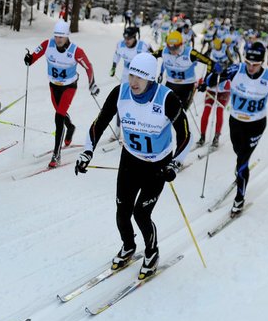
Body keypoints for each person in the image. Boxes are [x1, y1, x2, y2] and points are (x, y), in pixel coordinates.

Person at [74, 53, 191, 279]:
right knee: (122, 211)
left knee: (141, 214)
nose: (134, 82)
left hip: (158, 165)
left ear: (152, 79)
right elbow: (99, 122)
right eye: (131, 75)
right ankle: (128, 246)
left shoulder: (167, 99)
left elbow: (186, 135)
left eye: (140, 77)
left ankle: (152, 252)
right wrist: (87, 151)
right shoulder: (121, 93)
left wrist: (175, 164)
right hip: (130, 160)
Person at [206, 41, 268, 214]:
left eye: (255, 64)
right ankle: (240, 171)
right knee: (238, 152)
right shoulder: (235, 70)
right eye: (248, 63)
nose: (251, 67)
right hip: (236, 121)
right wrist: (214, 73)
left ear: (262, 63)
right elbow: (211, 81)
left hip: (256, 125)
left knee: (242, 160)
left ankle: (239, 198)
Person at [24, 19, 99, 168]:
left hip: (69, 87)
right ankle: (70, 127)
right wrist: (28, 59)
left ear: (67, 36)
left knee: (58, 117)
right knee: (60, 112)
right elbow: (32, 58)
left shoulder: (75, 51)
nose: (58, 39)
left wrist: (92, 84)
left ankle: (56, 155)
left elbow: (88, 66)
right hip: (53, 86)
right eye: (56, 36)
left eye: (61, 37)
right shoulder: (47, 44)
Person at [160, 29, 213, 116]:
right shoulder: (164, 51)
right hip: (171, 83)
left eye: (175, 48)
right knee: (165, 110)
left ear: (181, 45)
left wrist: (205, 82)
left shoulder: (190, 52)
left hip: (187, 86)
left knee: (181, 112)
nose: (172, 51)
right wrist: (160, 73)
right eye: (170, 48)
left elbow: (209, 62)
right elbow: (163, 61)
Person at [197, 35, 236, 147]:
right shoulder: (212, 51)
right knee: (206, 111)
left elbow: (232, 64)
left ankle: (216, 137)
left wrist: (224, 69)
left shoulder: (226, 50)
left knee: (219, 111)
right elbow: (206, 64)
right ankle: (202, 136)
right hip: (212, 89)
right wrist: (203, 83)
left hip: (224, 89)